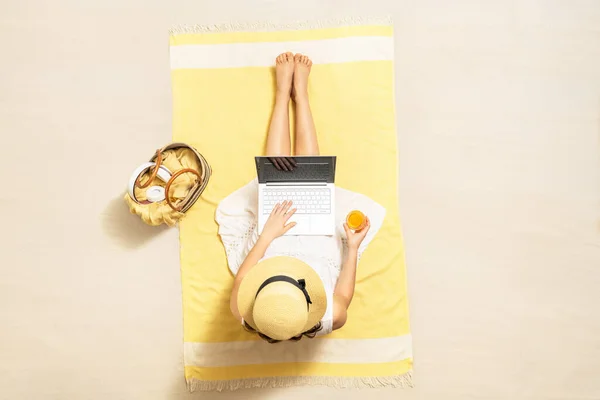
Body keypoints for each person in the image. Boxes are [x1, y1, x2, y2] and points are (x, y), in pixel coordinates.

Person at [216, 52, 384, 344]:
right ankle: (301, 96)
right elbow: (343, 295)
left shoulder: (243, 311)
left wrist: (267, 236)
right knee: (309, 183)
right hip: (319, 249)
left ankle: (284, 95)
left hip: (270, 247)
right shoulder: (334, 316)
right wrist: (353, 247)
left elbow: (243, 279)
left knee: (278, 184)